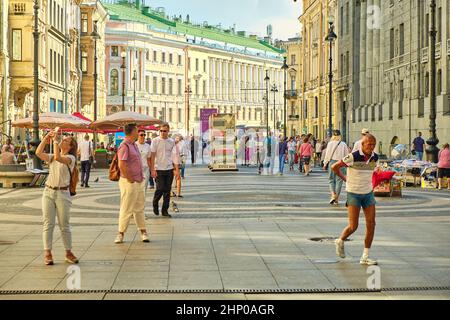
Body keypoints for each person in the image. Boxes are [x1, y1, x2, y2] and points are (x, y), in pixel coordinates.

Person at [332, 134, 379, 265]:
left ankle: (365, 256)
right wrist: (345, 179)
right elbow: (334, 167)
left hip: (368, 193)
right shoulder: (353, 156)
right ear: (362, 145)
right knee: (353, 226)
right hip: (353, 193)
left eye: (373, 144)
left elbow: (372, 172)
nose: (371, 147)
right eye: (369, 144)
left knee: (371, 224)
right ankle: (340, 240)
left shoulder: (375, 157)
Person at [35, 129, 79, 265]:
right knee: (48, 223)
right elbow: (38, 153)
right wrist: (46, 138)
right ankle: (47, 252)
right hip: (48, 192)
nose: (63, 140)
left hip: (62, 193)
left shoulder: (71, 159)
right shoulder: (52, 156)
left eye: (66, 141)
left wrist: (55, 141)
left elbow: (60, 158)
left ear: (70, 147)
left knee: (64, 225)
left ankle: (68, 252)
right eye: (63, 139)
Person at [114, 123, 149, 244]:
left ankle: (143, 231)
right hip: (129, 181)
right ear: (132, 132)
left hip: (139, 180)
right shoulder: (124, 146)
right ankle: (120, 233)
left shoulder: (134, 145)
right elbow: (121, 164)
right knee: (127, 207)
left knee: (139, 207)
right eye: (137, 130)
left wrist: (140, 178)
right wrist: (130, 179)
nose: (138, 132)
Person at [150, 123, 180, 217]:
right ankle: (155, 203)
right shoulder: (155, 140)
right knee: (160, 188)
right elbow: (152, 155)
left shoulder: (171, 141)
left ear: (168, 131)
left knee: (167, 190)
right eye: (161, 131)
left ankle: (164, 211)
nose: (162, 133)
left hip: (169, 168)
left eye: (164, 131)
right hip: (158, 168)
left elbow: (174, 156)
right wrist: (152, 169)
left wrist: (177, 170)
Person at [323, 130, 349, 205]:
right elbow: (346, 154)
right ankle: (336, 198)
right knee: (339, 180)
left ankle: (333, 195)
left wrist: (325, 163)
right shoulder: (343, 144)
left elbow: (327, 155)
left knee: (331, 179)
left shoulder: (330, 144)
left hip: (332, 162)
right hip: (340, 163)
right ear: (340, 136)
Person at [136, 129, 152, 197]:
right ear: (137, 136)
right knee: (136, 189)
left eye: (144, 135)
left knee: (144, 189)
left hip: (145, 170)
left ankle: (141, 206)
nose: (143, 136)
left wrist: (152, 170)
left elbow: (149, 159)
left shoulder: (147, 146)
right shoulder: (134, 145)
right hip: (136, 171)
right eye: (141, 135)